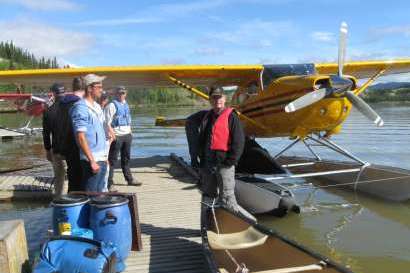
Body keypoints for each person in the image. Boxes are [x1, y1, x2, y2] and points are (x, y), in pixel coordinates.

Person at [198, 86, 256, 222]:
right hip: (208, 164)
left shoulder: (232, 117)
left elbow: (239, 141)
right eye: (214, 97)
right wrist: (200, 159)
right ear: (210, 100)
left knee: (227, 198)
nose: (217, 100)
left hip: (224, 165)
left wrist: (230, 161)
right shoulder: (206, 117)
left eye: (219, 97)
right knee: (207, 196)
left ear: (224, 99)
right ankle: (206, 226)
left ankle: (232, 226)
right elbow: (200, 138)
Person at [70, 74, 111, 192]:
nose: (101, 90)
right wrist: (92, 161)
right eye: (99, 87)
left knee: (100, 193)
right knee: (90, 194)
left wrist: (105, 156)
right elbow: (80, 137)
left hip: (101, 158)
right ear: (89, 88)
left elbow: (102, 132)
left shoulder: (97, 107)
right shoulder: (81, 108)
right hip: (91, 160)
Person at [105, 86, 141, 189]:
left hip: (127, 135)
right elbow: (106, 122)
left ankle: (129, 179)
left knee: (126, 158)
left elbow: (128, 119)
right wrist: (112, 135)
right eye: (119, 93)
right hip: (117, 136)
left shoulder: (126, 104)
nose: (121, 95)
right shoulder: (111, 105)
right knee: (112, 160)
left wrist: (130, 132)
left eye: (123, 93)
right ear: (115, 94)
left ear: (126, 93)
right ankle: (109, 183)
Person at [55, 77, 84, 192]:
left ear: (73, 87)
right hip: (80, 145)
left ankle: (71, 202)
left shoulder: (61, 104)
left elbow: (59, 126)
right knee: (82, 179)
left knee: (72, 177)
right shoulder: (81, 103)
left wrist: (60, 148)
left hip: (67, 146)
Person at [42, 83, 67, 196]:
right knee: (74, 178)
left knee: (59, 178)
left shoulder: (48, 111)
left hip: (57, 150)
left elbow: (46, 134)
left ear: (54, 94)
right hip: (72, 150)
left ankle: (59, 201)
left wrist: (48, 150)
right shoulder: (72, 108)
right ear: (64, 93)